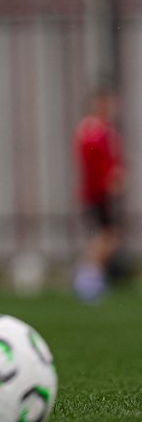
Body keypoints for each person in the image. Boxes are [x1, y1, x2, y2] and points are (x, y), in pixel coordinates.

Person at [73, 84, 125, 301]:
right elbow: (94, 162)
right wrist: (109, 180)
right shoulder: (94, 130)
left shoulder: (99, 129)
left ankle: (91, 279)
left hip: (99, 191)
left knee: (107, 237)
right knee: (106, 237)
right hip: (97, 192)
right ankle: (86, 280)